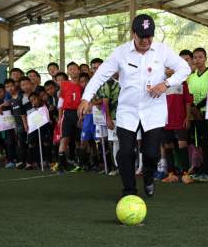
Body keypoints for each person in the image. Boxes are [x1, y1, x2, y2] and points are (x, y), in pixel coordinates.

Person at [78, 14, 190, 198]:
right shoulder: (120, 52)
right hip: (127, 111)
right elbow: (100, 76)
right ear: (133, 33)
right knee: (125, 152)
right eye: (141, 36)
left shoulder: (162, 50)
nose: (146, 41)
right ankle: (129, 190)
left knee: (152, 153)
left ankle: (148, 176)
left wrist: (166, 84)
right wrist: (85, 98)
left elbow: (184, 68)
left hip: (153, 110)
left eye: (149, 36)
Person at [161, 67, 193, 184]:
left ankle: (185, 173)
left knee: (182, 146)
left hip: (180, 120)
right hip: (164, 121)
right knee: (168, 146)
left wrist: (187, 117)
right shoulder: (159, 83)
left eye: (170, 67)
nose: (168, 70)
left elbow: (188, 101)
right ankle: (171, 174)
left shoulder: (182, 82)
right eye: (166, 68)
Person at [187, 47, 208, 182]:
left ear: (205, 58)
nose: (197, 60)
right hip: (194, 114)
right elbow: (189, 96)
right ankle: (200, 170)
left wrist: (197, 108)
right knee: (198, 143)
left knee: (206, 143)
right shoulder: (191, 77)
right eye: (195, 57)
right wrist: (192, 109)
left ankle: (207, 172)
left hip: (207, 114)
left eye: (200, 57)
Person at [57, 62, 82, 173]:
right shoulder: (64, 84)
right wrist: (59, 117)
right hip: (67, 113)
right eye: (70, 69)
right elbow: (61, 101)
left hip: (79, 113)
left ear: (78, 70)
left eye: (74, 69)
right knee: (64, 138)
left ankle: (80, 163)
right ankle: (61, 163)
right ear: (68, 72)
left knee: (79, 139)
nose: (72, 71)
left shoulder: (83, 85)